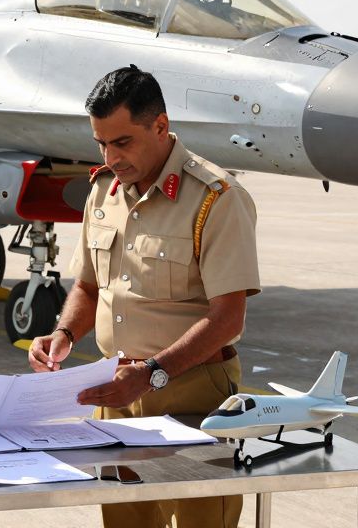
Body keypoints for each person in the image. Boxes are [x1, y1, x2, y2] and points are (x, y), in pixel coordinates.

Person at [27, 65, 260, 528]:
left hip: (193, 393)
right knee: (126, 522)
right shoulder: (103, 191)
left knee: (201, 521)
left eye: (122, 142)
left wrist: (152, 374)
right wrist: (64, 333)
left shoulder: (215, 197)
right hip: (116, 393)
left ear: (160, 126)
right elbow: (89, 286)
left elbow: (227, 318)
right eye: (101, 144)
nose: (111, 157)